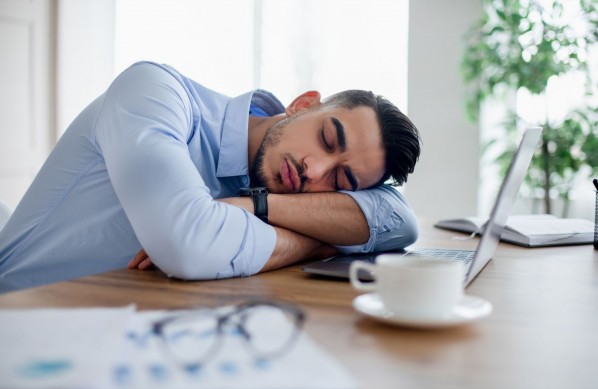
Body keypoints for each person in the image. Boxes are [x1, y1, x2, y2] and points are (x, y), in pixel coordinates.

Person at [0, 61, 421, 294]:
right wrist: (319, 242)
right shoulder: (155, 92)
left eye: (342, 181)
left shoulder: (267, 186)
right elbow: (190, 245)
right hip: (22, 315)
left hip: (126, 332)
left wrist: (255, 206)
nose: (315, 171)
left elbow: (399, 220)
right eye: (327, 139)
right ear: (302, 104)